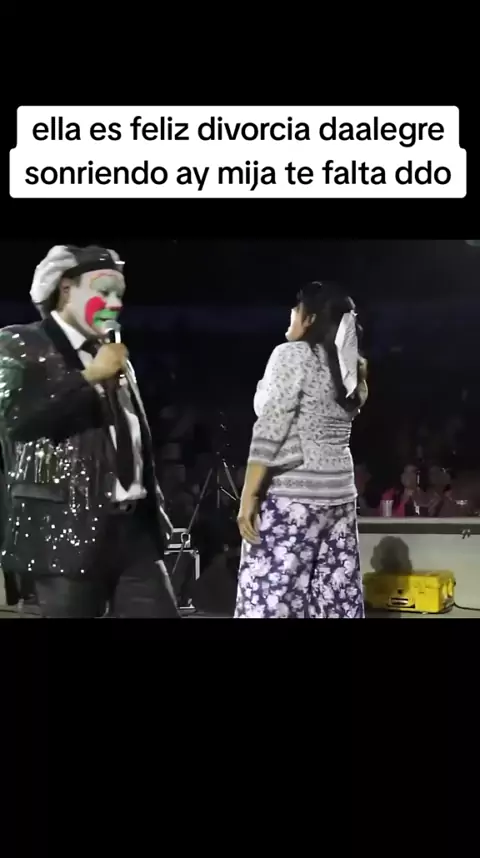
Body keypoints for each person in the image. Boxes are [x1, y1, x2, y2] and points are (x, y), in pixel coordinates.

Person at [0, 244, 179, 618]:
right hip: (64, 531)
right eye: (104, 292)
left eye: (119, 295)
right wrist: (89, 377)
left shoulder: (112, 355)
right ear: (66, 289)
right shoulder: (21, 342)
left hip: (133, 532)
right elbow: (15, 419)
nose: (115, 304)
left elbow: (133, 438)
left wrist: (154, 509)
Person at [235, 281, 368, 618]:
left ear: (309, 318)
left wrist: (249, 494)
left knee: (270, 599)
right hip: (340, 495)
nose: (291, 314)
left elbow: (272, 426)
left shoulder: (291, 354)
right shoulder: (349, 368)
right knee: (335, 601)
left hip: (292, 497)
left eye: (296, 309)